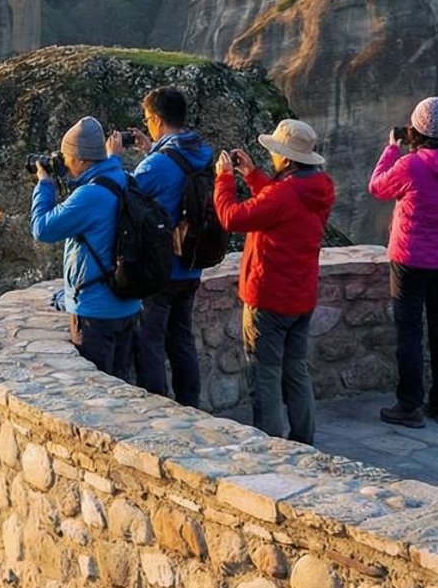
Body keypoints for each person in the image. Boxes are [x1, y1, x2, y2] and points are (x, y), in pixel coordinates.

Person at [213, 119, 335, 444]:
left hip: (268, 299)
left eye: (277, 153)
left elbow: (232, 217)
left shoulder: (284, 194)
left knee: (264, 375)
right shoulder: (320, 187)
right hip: (301, 297)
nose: (274, 158)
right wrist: (253, 176)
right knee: (296, 371)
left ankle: (271, 445)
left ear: (288, 159)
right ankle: (303, 439)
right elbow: (279, 206)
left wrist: (224, 179)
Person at [368, 97, 438, 428]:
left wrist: (391, 150)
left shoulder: (411, 165)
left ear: (415, 130)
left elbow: (378, 188)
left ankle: (410, 405)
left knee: (409, 332)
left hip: (410, 259)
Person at [107, 86, 212, 406]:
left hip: (161, 268)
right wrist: (153, 150)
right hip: (193, 262)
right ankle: (189, 403)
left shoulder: (156, 165)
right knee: (181, 338)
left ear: (156, 119)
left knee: (149, 340)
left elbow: (125, 193)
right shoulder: (202, 152)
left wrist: (114, 160)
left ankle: (159, 405)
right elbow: (177, 180)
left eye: (147, 119)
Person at [32, 116, 144, 374]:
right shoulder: (124, 179)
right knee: (121, 386)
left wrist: (44, 184)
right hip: (127, 302)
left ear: (82, 159)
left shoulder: (90, 195)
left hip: (96, 311)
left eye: (68, 157)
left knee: (100, 394)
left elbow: (42, 229)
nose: (66, 163)